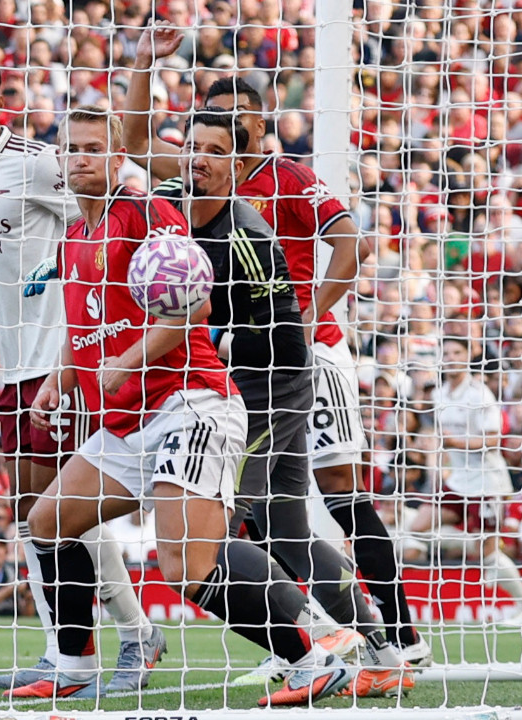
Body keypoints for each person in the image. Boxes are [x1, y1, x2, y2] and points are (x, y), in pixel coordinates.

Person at [22, 107, 349, 707]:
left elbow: (193, 306)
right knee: (47, 523)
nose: (82, 158)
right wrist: (57, 380)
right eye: (71, 149)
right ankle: (72, 665)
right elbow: (82, 323)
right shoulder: (73, 238)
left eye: (94, 148)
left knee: (185, 570)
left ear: (118, 158)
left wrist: (127, 361)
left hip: (189, 405)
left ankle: (312, 660)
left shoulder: (147, 214)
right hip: (128, 423)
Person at [124, 25, 426, 668]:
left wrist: (310, 315)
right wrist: (145, 62)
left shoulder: (262, 207)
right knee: (285, 525)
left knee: (251, 514)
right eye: (197, 139)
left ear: (252, 137)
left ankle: (324, 641)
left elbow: (347, 246)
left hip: (279, 369)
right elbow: (137, 144)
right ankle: (377, 645)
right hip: (250, 370)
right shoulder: (189, 189)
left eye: (227, 133)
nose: (201, 152)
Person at [0, 50, 158, 695]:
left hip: (62, 362)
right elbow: (16, 260)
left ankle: (106, 644)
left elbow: (103, 216)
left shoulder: (37, 162)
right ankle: (84, 646)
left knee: (57, 514)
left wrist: (92, 314)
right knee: (38, 515)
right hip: (14, 366)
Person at [415, 336, 522, 623]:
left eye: (456, 352)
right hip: (458, 480)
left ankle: (521, 603)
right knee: (418, 527)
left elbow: (493, 439)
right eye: (446, 353)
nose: (451, 358)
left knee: (488, 552)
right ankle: (474, 546)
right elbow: (443, 440)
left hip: (487, 482)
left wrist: (455, 442)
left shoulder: (480, 394)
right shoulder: (439, 394)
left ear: (467, 357)